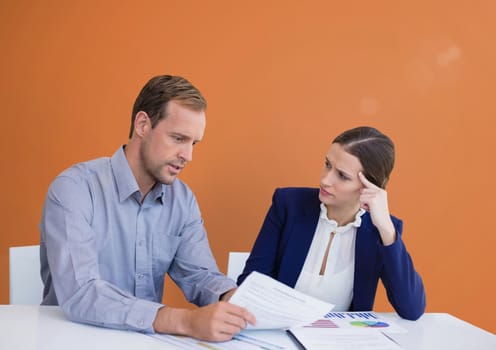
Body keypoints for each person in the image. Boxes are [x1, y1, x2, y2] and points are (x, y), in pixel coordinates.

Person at [39, 75, 255, 341]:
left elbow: (199, 273)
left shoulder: (182, 200)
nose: (188, 156)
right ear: (142, 124)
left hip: (144, 341)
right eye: (178, 138)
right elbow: (81, 292)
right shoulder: (74, 189)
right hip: (72, 341)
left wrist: (232, 299)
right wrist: (184, 320)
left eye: (193, 143)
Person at [238, 126, 426, 320]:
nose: (325, 180)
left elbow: (411, 309)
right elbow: (250, 285)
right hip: (280, 333)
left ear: (370, 186)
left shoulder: (381, 230)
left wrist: (387, 229)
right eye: (327, 164)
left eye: (342, 176)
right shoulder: (288, 205)